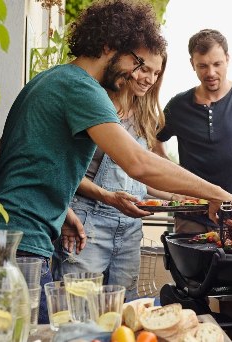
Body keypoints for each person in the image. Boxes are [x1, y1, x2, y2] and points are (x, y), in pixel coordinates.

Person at [0, 0, 232, 324]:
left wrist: (62, 210)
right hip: (20, 244)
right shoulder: (82, 88)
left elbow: (5, 157)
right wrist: (218, 194)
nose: (135, 73)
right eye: (134, 61)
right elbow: (138, 163)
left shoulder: (50, 80)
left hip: (6, 235)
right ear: (108, 46)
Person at [153, 29, 232, 342]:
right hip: (191, 218)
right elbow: (152, 140)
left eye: (217, 64)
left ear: (228, 60)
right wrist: (171, 178)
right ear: (192, 64)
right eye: (203, 65)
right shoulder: (178, 106)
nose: (211, 72)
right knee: (193, 297)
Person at [52, 46, 179, 301]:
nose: (149, 79)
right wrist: (107, 197)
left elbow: (144, 174)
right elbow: (63, 169)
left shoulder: (146, 115)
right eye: (144, 69)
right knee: (78, 310)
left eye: (156, 73)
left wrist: (183, 197)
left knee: (124, 312)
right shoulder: (94, 103)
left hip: (130, 229)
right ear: (127, 63)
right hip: (87, 223)